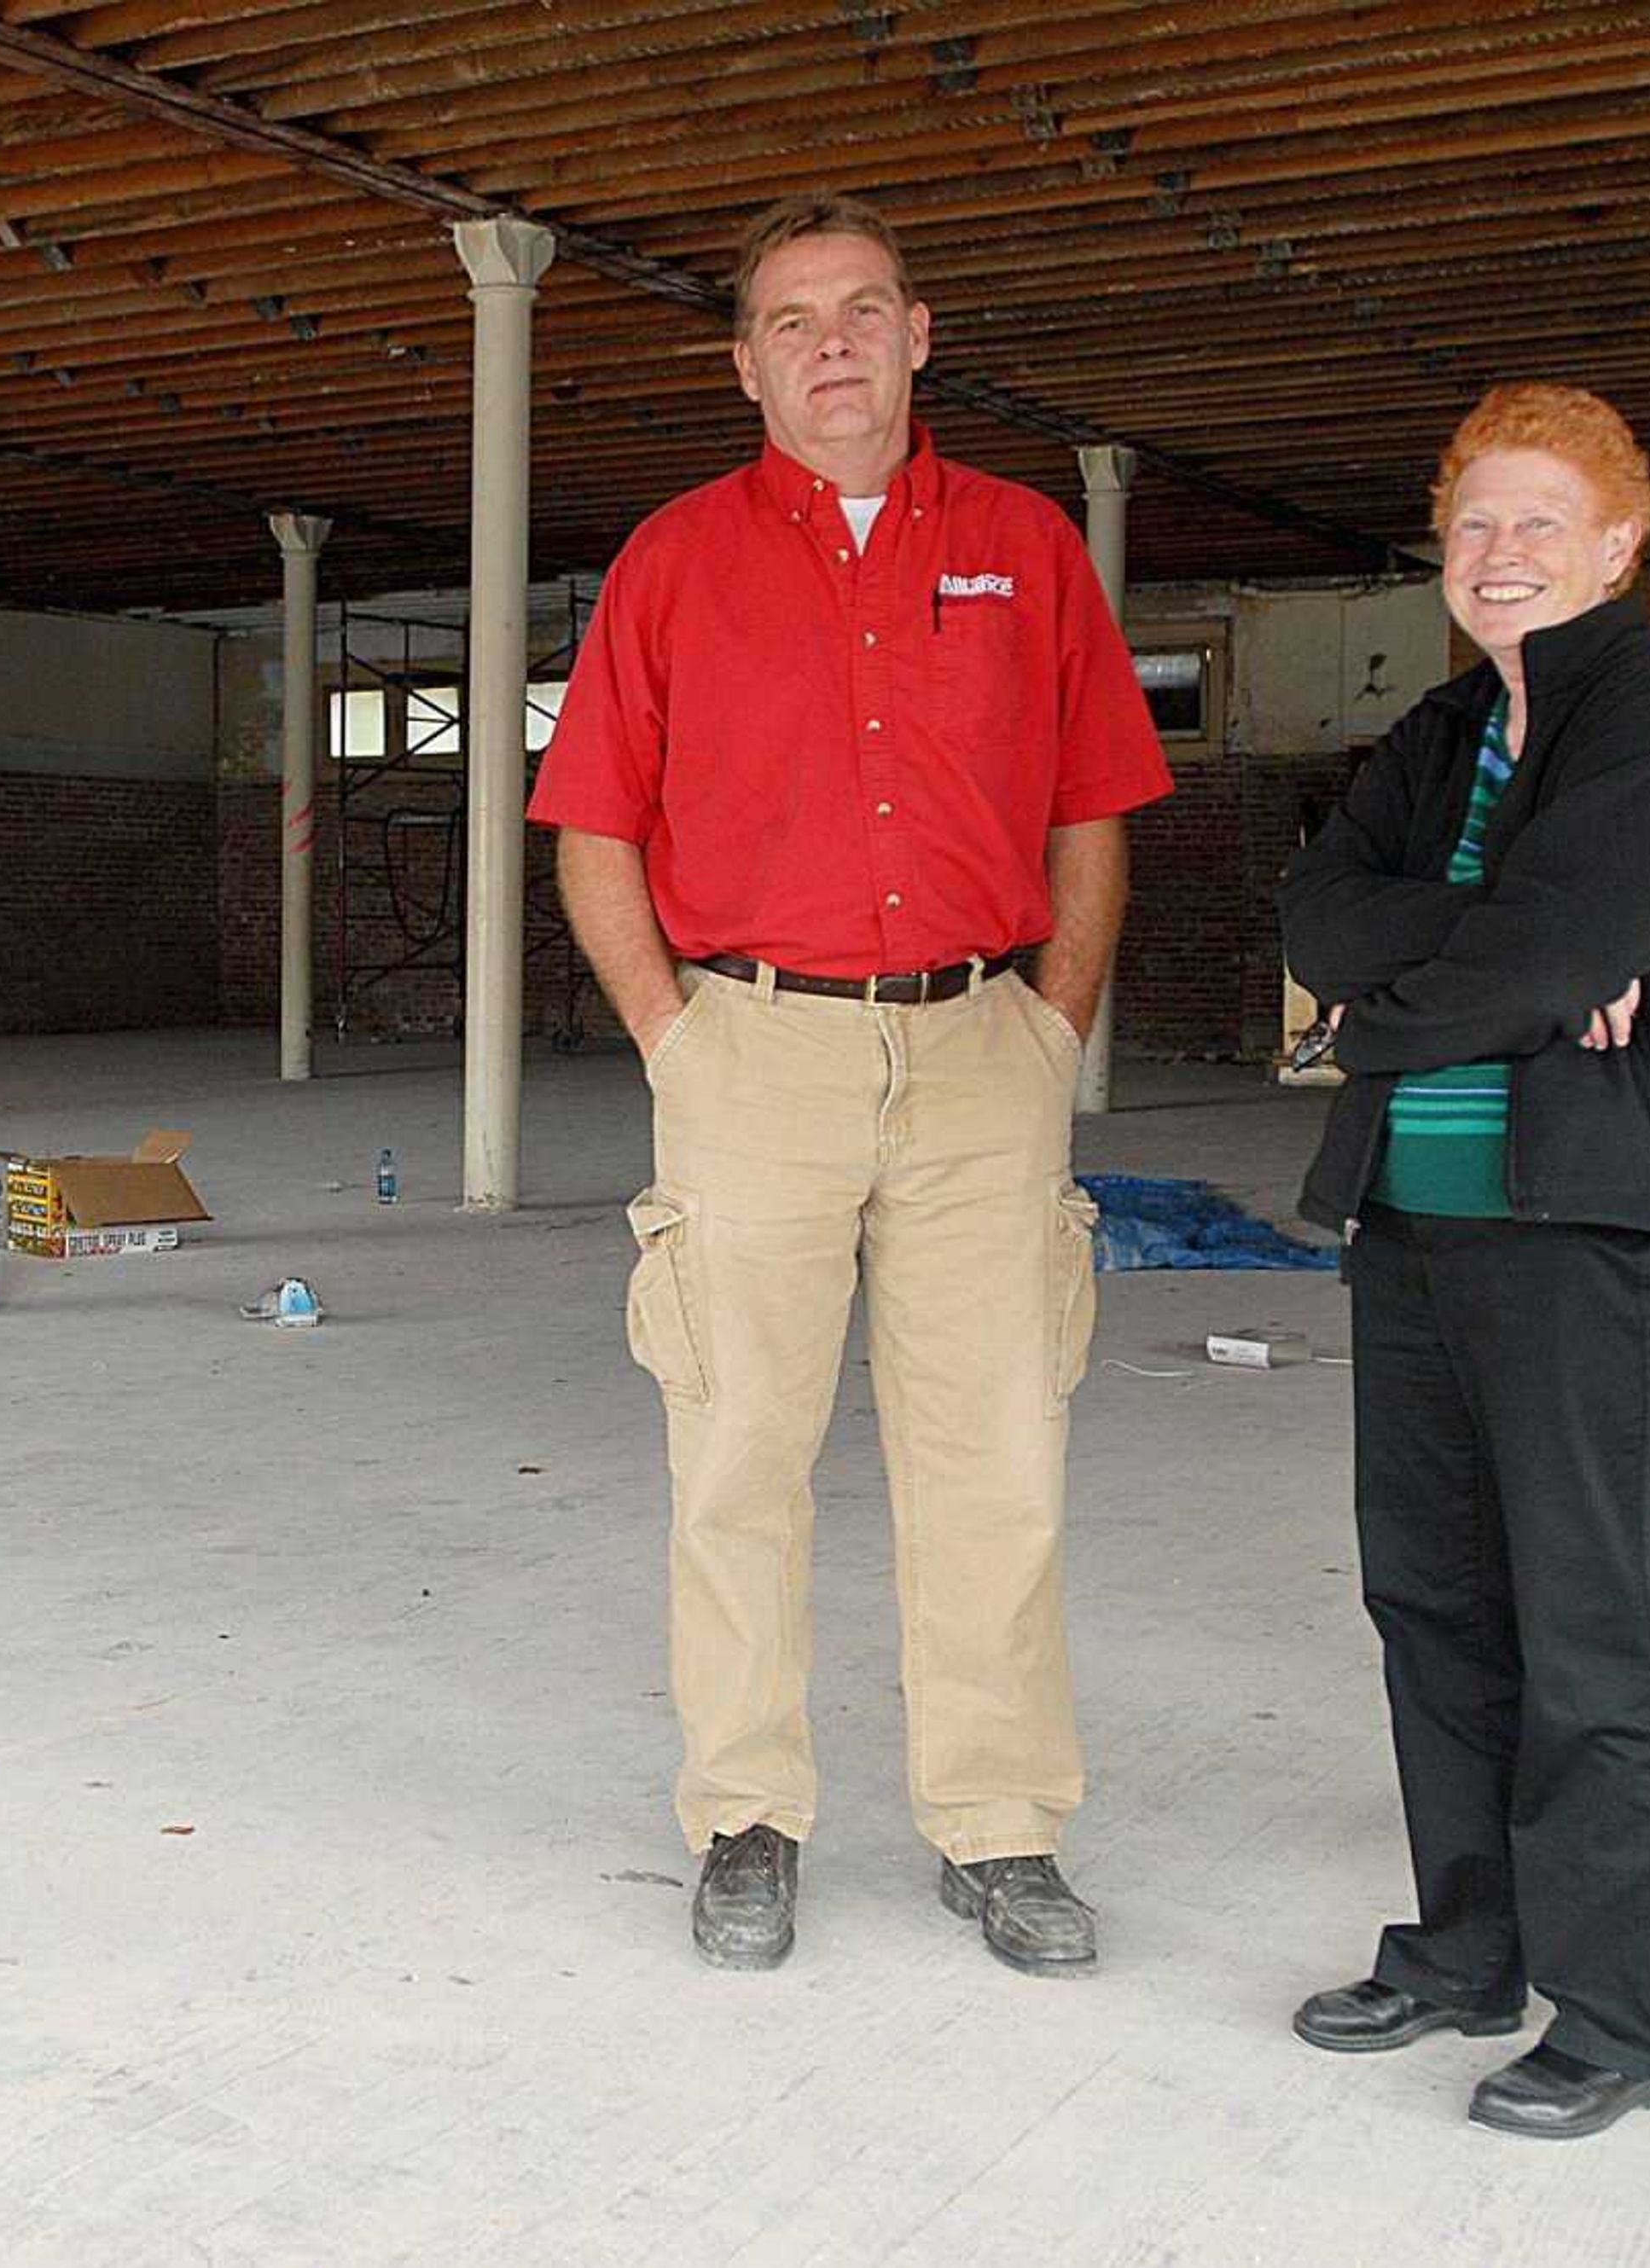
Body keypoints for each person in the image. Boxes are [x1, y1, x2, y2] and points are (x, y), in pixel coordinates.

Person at [528, 193, 1171, 1975]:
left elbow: (1092, 811)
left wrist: (1052, 1026)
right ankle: (745, 1811)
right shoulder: (672, 559)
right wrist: (679, 1032)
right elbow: (589, 828)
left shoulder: (1030, 547)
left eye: (865, 310)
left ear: (919, 334)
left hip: (983, 1054)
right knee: (738, 1446)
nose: (833, 343)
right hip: (753, 1051)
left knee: (1000, 1454)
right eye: (794, 319)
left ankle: (1002, 1825)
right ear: (747, 364)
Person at [1277, 382, 1650, 2137]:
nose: (1499, 553)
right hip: (1418, 1228)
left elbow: (1542, 945)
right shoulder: (1438, 735)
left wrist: (1406, 999)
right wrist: (1490, 955)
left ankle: (1627, 2016)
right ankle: (1468, 1947)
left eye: (1537, 521)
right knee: (1431, 1602)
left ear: (1618, 541)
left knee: (1595, 1632)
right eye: (1474, 522)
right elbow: (1319, 921)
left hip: (1588, 1238)